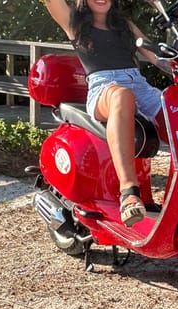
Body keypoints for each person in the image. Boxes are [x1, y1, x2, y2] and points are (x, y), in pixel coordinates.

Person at [42, 0, 169, 227]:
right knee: (122, 96)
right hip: (104, 88)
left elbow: (157, 56)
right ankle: (128, 193)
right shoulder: (74, 22)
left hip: (140, 86)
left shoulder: (125, 25)